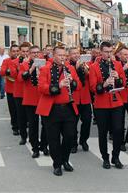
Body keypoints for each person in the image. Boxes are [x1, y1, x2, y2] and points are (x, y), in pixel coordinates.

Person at [36, 46, 81, 176]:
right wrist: (58, 86)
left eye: (64, 56)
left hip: (68, 108)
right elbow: (41, 88)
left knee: (70, 136)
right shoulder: (45, 69)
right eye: (60, 55)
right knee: (53, 139)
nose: (63, 58)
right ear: (53, 56)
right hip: (51, 109)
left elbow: (79, 85)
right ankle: (57, 164)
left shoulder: (70, 69)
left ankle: (65, 159)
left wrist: (72, 82)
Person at [89, 41, 126, 169]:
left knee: (117, 130)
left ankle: (116, 157)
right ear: (101, 52)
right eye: (106, 52)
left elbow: (123, 84)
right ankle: (105, 157)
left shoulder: (117, 64)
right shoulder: (94, 66)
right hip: (101, 103)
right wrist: (104, 84)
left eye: (110, 52)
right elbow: (93, 87)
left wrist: (118, 79)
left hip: (116, 102)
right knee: (103, 132)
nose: (109, 54)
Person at [19, 45, 49, 158]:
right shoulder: (24, 65)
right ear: (30, 54)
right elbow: (21, 78)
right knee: (33, 125)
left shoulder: (45, 64)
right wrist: (31, 68)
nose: (36, 54)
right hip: (30, 99)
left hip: (43, 97)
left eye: (37, 52)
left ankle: (44, 145)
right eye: (33, 53)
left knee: (46, 124)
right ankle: (35, 147)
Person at [69, 47, 92, 153]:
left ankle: (83, 140)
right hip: (73, 98)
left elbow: (90, 76)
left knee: (87, 121)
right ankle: (73, 143)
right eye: (73, 53)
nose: (76, 55)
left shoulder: (86, 64)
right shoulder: (67, 66)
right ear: (69, 55)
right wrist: (77, 69)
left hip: (85, 98)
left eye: (77, 53)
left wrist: (84, 68)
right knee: (73, 123)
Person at [13, 42, 31, 145]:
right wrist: (22, 65)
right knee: (21, 116)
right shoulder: (14, 62)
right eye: (23, 51)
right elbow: (15, 76)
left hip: (29, 93)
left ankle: (31, 135)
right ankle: (23, 136)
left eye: (27, 51)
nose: (25, 53)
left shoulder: (33, 61)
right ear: (20, 51)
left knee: (31, 117)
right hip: (19, 93)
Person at [0, 45, 20, 136]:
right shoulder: (6, 61)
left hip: (21, 90)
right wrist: (10, 71)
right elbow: (2, 72)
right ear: (10, 52)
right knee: (13, 109)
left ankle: (22, 125)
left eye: (17, 51)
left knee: (21, 110)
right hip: (11, 89)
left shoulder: (23, 61)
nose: (15, 53)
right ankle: (15, 127)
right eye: (13, 51)